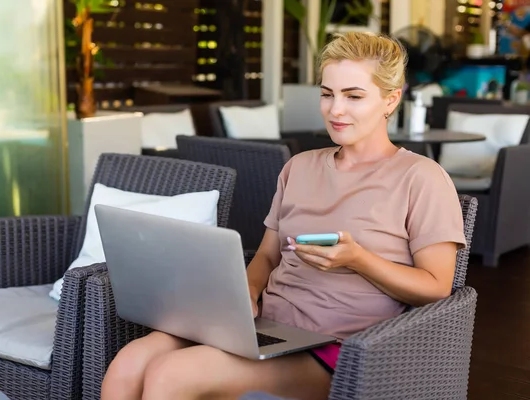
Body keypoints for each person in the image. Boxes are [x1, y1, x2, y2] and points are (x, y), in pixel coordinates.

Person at [100, 31, 467, 400]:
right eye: (327, 94)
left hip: (340, 347)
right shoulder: (299, 167)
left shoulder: (421, 178)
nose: (335, 109)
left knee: (172, 374)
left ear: (391, 99)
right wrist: (249, 289)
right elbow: (267, 255)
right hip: (265, 325)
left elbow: (436, 288)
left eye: (353, 96)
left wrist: (360, 260)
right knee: (129, 362)